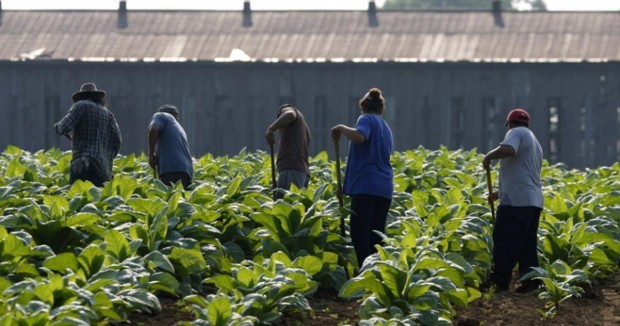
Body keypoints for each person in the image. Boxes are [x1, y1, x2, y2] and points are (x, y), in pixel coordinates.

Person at [482, 108, 543, 293]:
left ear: (509, 124)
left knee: (503, 240)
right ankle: (531, 282)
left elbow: (508, 150)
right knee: (526, 244)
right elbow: (524, 174)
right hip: (533, 201)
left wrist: (488, 156)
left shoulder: (515, 133)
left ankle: (499, 281)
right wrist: (500, 192)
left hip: (516, 203)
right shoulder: (535, 141)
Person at [331, 88, 393, 268]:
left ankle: (365, 272)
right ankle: (377, 273)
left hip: (366, 186)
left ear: (363, 107)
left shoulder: (365, 119)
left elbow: (360, 137)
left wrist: (341, 128)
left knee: (359, 232)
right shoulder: (386, 127)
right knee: (376, 235)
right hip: (384, 188)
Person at [54, 82, 122, 187]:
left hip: (83, 164)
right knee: (98, 200)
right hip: (102, 170)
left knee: (79, 198)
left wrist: (57, 127)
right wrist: (106, 158)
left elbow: (64, 126)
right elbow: (117, 141)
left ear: (81, 96)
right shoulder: (108, 115)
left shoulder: (81, 106)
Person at [265, 104, 311, 198]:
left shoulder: (289, 111)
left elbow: (290, 114)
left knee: (283, 206)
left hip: (291, 169)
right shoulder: (304, 127)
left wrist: (271, 128)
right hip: (302, 173)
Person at [148, 104, 194, 189]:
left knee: (170, 199)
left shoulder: (161, 116)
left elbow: (153, 129)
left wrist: (151, 154)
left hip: (173, 171)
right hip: (186, 172)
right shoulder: (178, 128)